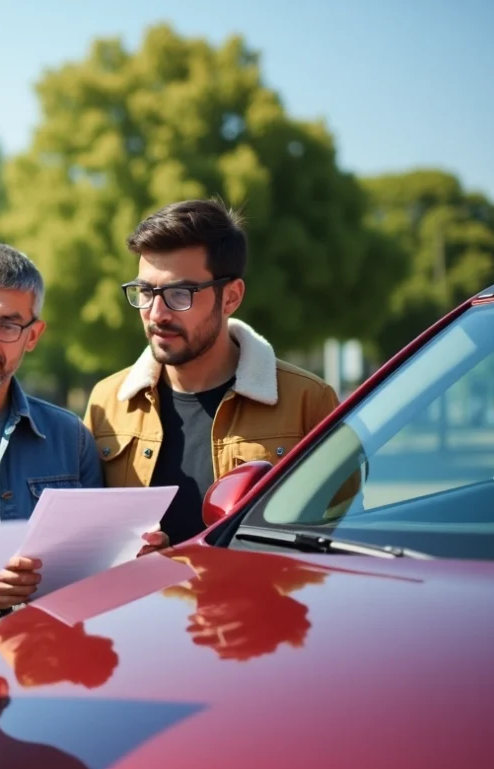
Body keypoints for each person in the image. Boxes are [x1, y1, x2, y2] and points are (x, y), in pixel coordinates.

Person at [83, 199, 341, 547]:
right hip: (139, 602)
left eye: (179, 293)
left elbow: (337, 542)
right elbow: (85, 541)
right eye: (145, 291)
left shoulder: (308, 401)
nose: (156, 313)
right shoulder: (107, 402)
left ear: (231, 297)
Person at [0, 243, 102, 612]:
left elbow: (91, 574)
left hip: (34, 656)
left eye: (9, 325)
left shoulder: (70, 440)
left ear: (33, 336)